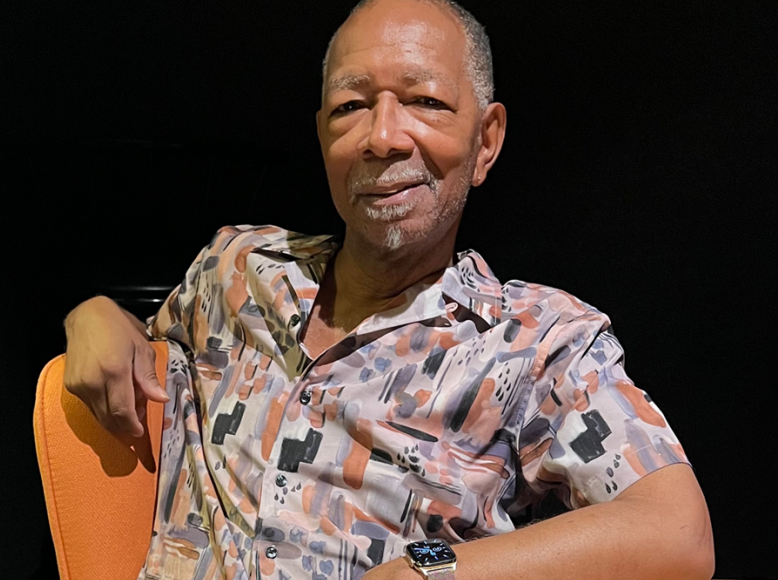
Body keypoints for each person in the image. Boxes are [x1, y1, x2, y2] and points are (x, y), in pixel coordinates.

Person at [63, 0, 715, 578]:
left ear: (486, 141)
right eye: (351, 107)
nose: (382, 137)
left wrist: (427, 571)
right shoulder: (237, 268)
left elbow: (676, 535)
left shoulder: (537, 339)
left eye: (426, 102)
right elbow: (149, 351)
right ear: (323, 137)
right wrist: (95, 313)